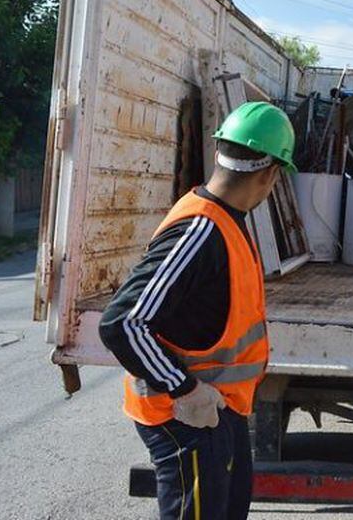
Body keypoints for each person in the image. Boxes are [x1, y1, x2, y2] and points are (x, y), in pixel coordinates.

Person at [99, 101, 296, 520]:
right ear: (269, 174)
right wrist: (184, 389)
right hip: (187, 417)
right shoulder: (200, 229)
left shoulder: (227, 219)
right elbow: (123, 323)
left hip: (218, 412)